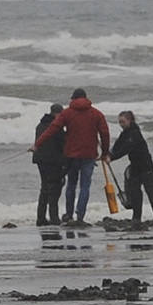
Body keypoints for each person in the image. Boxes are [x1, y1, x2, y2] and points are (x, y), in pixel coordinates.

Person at [31, 88, 111, 226]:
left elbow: (52, 129)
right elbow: (105, 133)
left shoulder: (67, 113)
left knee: (71, 185)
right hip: (89, 154)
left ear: (73, 99)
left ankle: (68, 215)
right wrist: (104, 152)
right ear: (86, 98)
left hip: (71, 155)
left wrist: (37, 144)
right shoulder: (97, 114)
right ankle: (80, 216)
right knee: (85, 186)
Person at [109, 110, 153, 225]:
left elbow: (127, 148)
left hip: (146, 166)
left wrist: (112, 158)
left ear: (130, 120)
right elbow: (117, 146)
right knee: (135, 193)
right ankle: (136, 217)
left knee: (152, 193)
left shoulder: (135, 133)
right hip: (134, 167)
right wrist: (108, 154)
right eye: (119, 122)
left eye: (123, 122)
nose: (121, 124)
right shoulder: (125, 133)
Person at [32, 103, 68, 226]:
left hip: (40, 160)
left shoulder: (40, 125)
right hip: (52, 161)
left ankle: (41, 218)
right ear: (58, 114)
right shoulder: (56, 127)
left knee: (44, 189)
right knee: (54, 189)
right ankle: (54, 218)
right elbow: (62, 144)